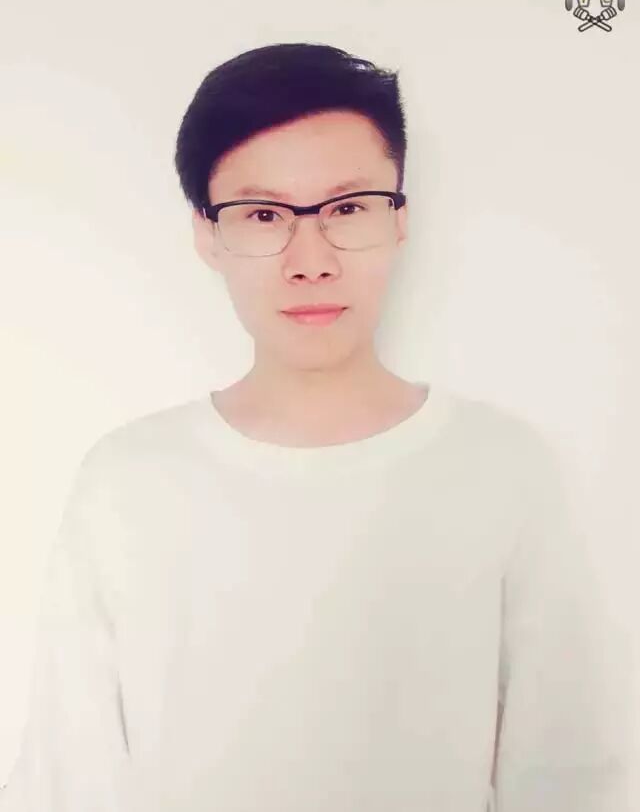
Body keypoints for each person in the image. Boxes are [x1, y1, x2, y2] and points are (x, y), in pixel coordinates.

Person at [0, 42, 630, 811]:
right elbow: (65, 785)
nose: (311, 260)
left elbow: (570, 780)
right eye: (264, 214)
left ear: (400, 219)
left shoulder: (502, 470)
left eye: (347, 208)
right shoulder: (127, 483)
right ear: (207, 233)